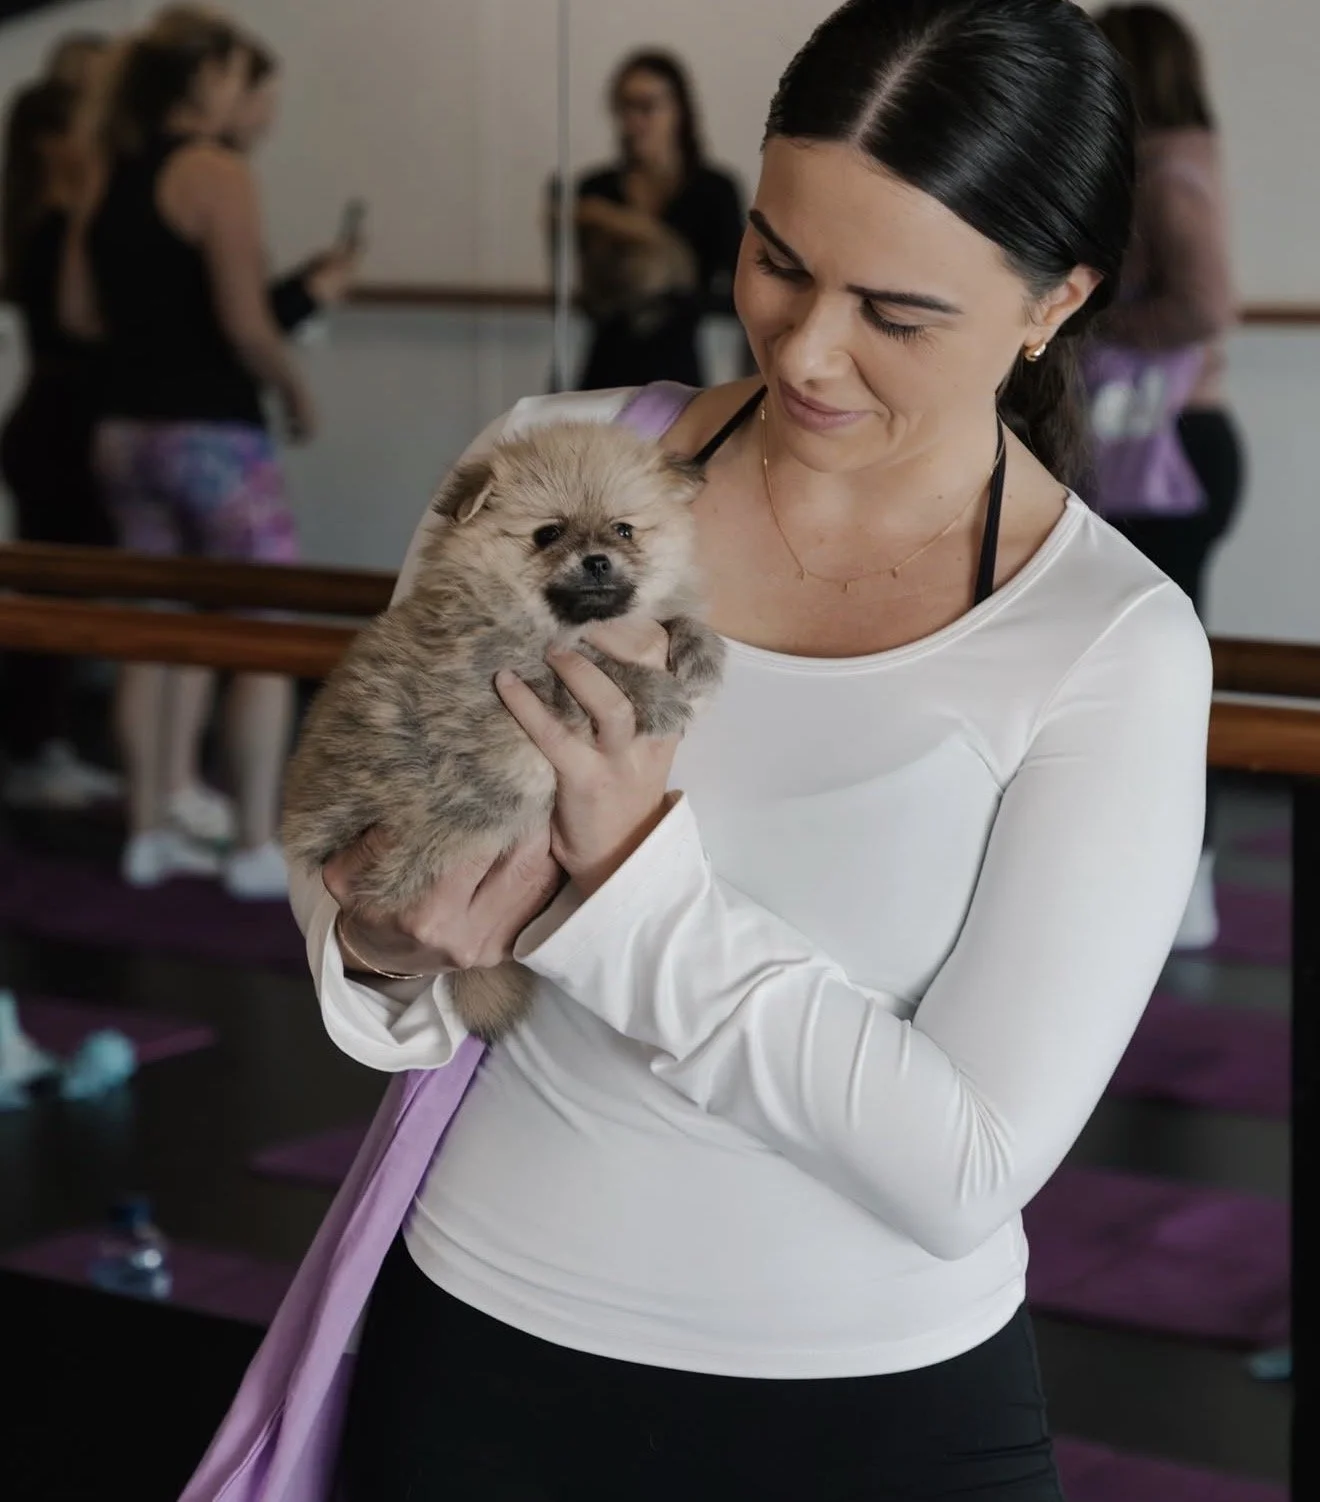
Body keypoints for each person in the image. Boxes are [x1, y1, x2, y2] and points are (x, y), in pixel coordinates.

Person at [213, 1, 1211, 1495]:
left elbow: (964, 1170)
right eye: (778, 259)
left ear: (1052, 303)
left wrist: (628, 873)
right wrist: (374, 934)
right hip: (482, 1336)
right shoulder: (557, 463)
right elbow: (367, 839)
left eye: (898, 311)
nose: (808, 348)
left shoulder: (1111, 641)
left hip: (876, 1414)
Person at [62, 7, 314, 896]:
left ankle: (149, 827)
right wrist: (294, 385)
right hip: (211, 434)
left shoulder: (107, 171)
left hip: (124, 435)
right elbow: (247, 323)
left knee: (151, 631)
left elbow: (80, 314)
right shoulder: (215, 172)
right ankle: (252, 844)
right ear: (207, 79)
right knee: (264, 635)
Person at [1093, 2, 1241, 950]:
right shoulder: (1176, 164)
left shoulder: (1167, 173)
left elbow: (1205, 304)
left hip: (1174, 452)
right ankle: (1178, 877)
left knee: (1172, 676)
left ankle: (1191, 878)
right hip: (1174, 448)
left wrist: (1101, 326)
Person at [0, 72, 122, 809]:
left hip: (57, 419)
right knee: (53, 588)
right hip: (55, 425)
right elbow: (82, 321)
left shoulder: (48, 216)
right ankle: (34, 748)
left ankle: (42, 741)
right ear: (53, 143)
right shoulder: (54, 218)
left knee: (64, 584)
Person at [567, 50, 745, 390]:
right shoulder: (597, 187)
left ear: (678, 109)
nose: (633, 121)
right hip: (605, 365)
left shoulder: (714, 190)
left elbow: (734, 290)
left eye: (646, 106)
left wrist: (624, 226)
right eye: (624, 107)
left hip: (676, 366)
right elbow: (590, 294)